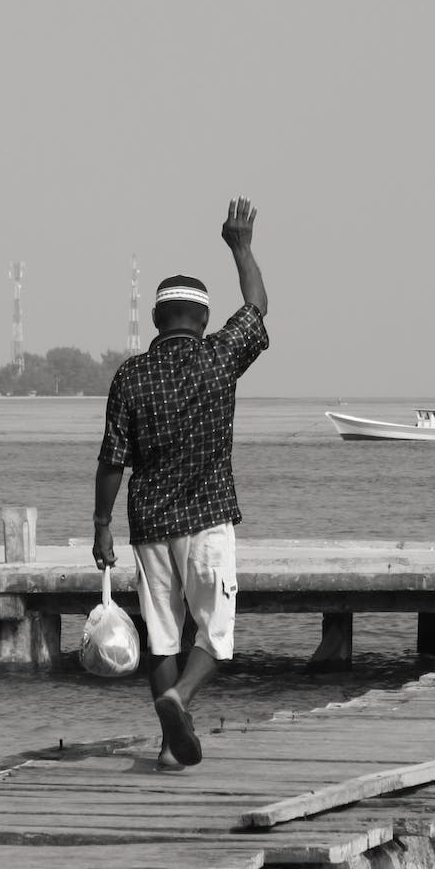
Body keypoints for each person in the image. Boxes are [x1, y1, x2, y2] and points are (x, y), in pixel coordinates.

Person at [92, 197, 269, 769]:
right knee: (215, 636)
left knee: (163, 637)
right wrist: (240, 247)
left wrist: (100, 527)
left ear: (157, 322)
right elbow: (259, 307)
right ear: (202, 320)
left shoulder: (131, 375)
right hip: (208, 520)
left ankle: (170, 745)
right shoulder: (220, 358)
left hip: (147, 528)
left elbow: (112, 460)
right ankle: (181, 699)